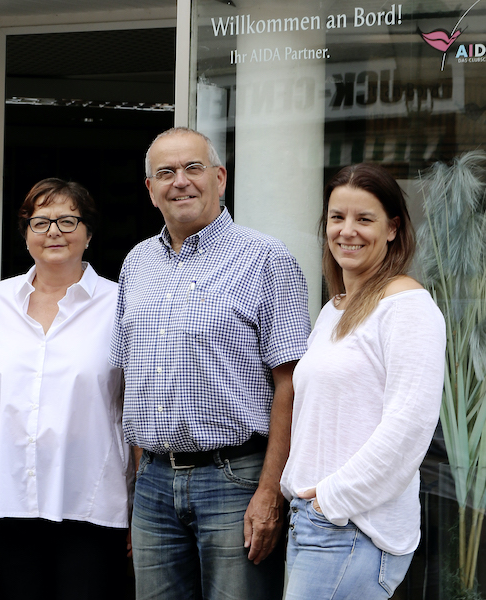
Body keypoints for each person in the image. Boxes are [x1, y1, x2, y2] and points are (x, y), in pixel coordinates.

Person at [111, 127, 311, 600]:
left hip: (235, 481)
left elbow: (292, 386)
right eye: (166, 172)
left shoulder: (266, 259)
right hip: (155, 485)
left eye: (192, 168)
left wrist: (270, 494)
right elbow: (133, 382)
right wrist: (140, 486)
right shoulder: (137, 263)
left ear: (220, 178)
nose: (180, 181)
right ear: (150, 190)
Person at [281, 164, 445, 599]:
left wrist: (332, 500)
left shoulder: (407, 307)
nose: (347, 231)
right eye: (337, 217)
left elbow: (409, 427)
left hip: (352, 527)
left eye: (364, 219)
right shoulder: (335, 308)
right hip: (317, 522)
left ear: (393, 228)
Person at [0, 178, 130, 599]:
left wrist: (138, 498)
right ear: (25, 234)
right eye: (40, 222)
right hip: (11, 497)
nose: (53, 231)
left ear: (89, 233)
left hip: (92, 497)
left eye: (67, 220)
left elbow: (135, 403)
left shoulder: (119, 303)